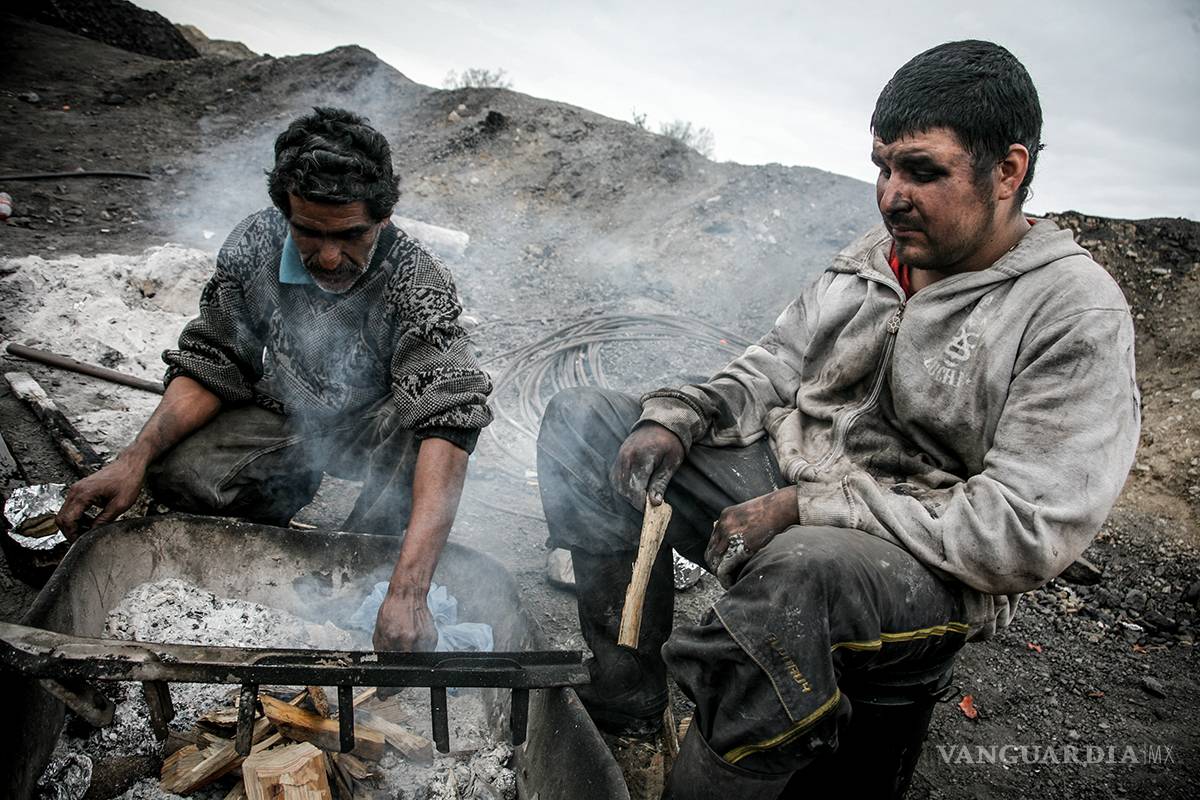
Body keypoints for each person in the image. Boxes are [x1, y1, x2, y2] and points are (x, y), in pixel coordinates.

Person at [536, 40, 1139, 798]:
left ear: (1008, 171)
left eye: (922, 171)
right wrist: (680, 416)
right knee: (590, 422)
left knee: (799, 576)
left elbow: (1023, 531)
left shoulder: (1069, 310)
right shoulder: (875, 255)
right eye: (883, 166)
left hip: (919, 560)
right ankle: (627, 718)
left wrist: (806, 508)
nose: (891, 194)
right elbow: (777, 362)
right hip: (792, 487)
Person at [56, 107, 493, 653]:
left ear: (382, 218)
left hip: (378, 428)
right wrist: (133, 457)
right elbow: (215, 360)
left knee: (416, 439)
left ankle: (371, 564)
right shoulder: (254, 244)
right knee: (181, 478)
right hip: (288, 410)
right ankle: (277, 539)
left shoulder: (417, 279)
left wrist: (409, 591)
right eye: (308, 232)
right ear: (284, 211)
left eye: (351, 235)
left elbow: (450, 417)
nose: (329, 257)